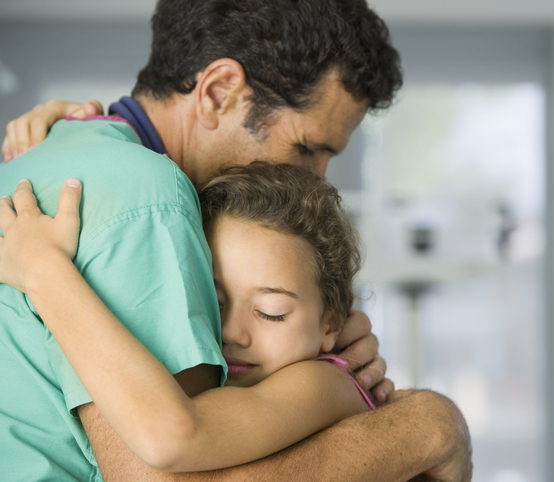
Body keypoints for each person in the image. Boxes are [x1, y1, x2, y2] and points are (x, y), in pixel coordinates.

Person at [0, 0, 472, 481]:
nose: (317, 180)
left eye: (269, 310)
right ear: (219, 91)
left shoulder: (49, 155)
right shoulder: (149, 200)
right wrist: (430, 428)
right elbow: (167, 457)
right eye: (307, 148)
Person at [0, 161, 383, 470]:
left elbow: (175, 435)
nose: (232, 333)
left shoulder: (326, 384)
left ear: (331, 323)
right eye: (212, 302)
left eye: (271, 313)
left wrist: (43, 269)